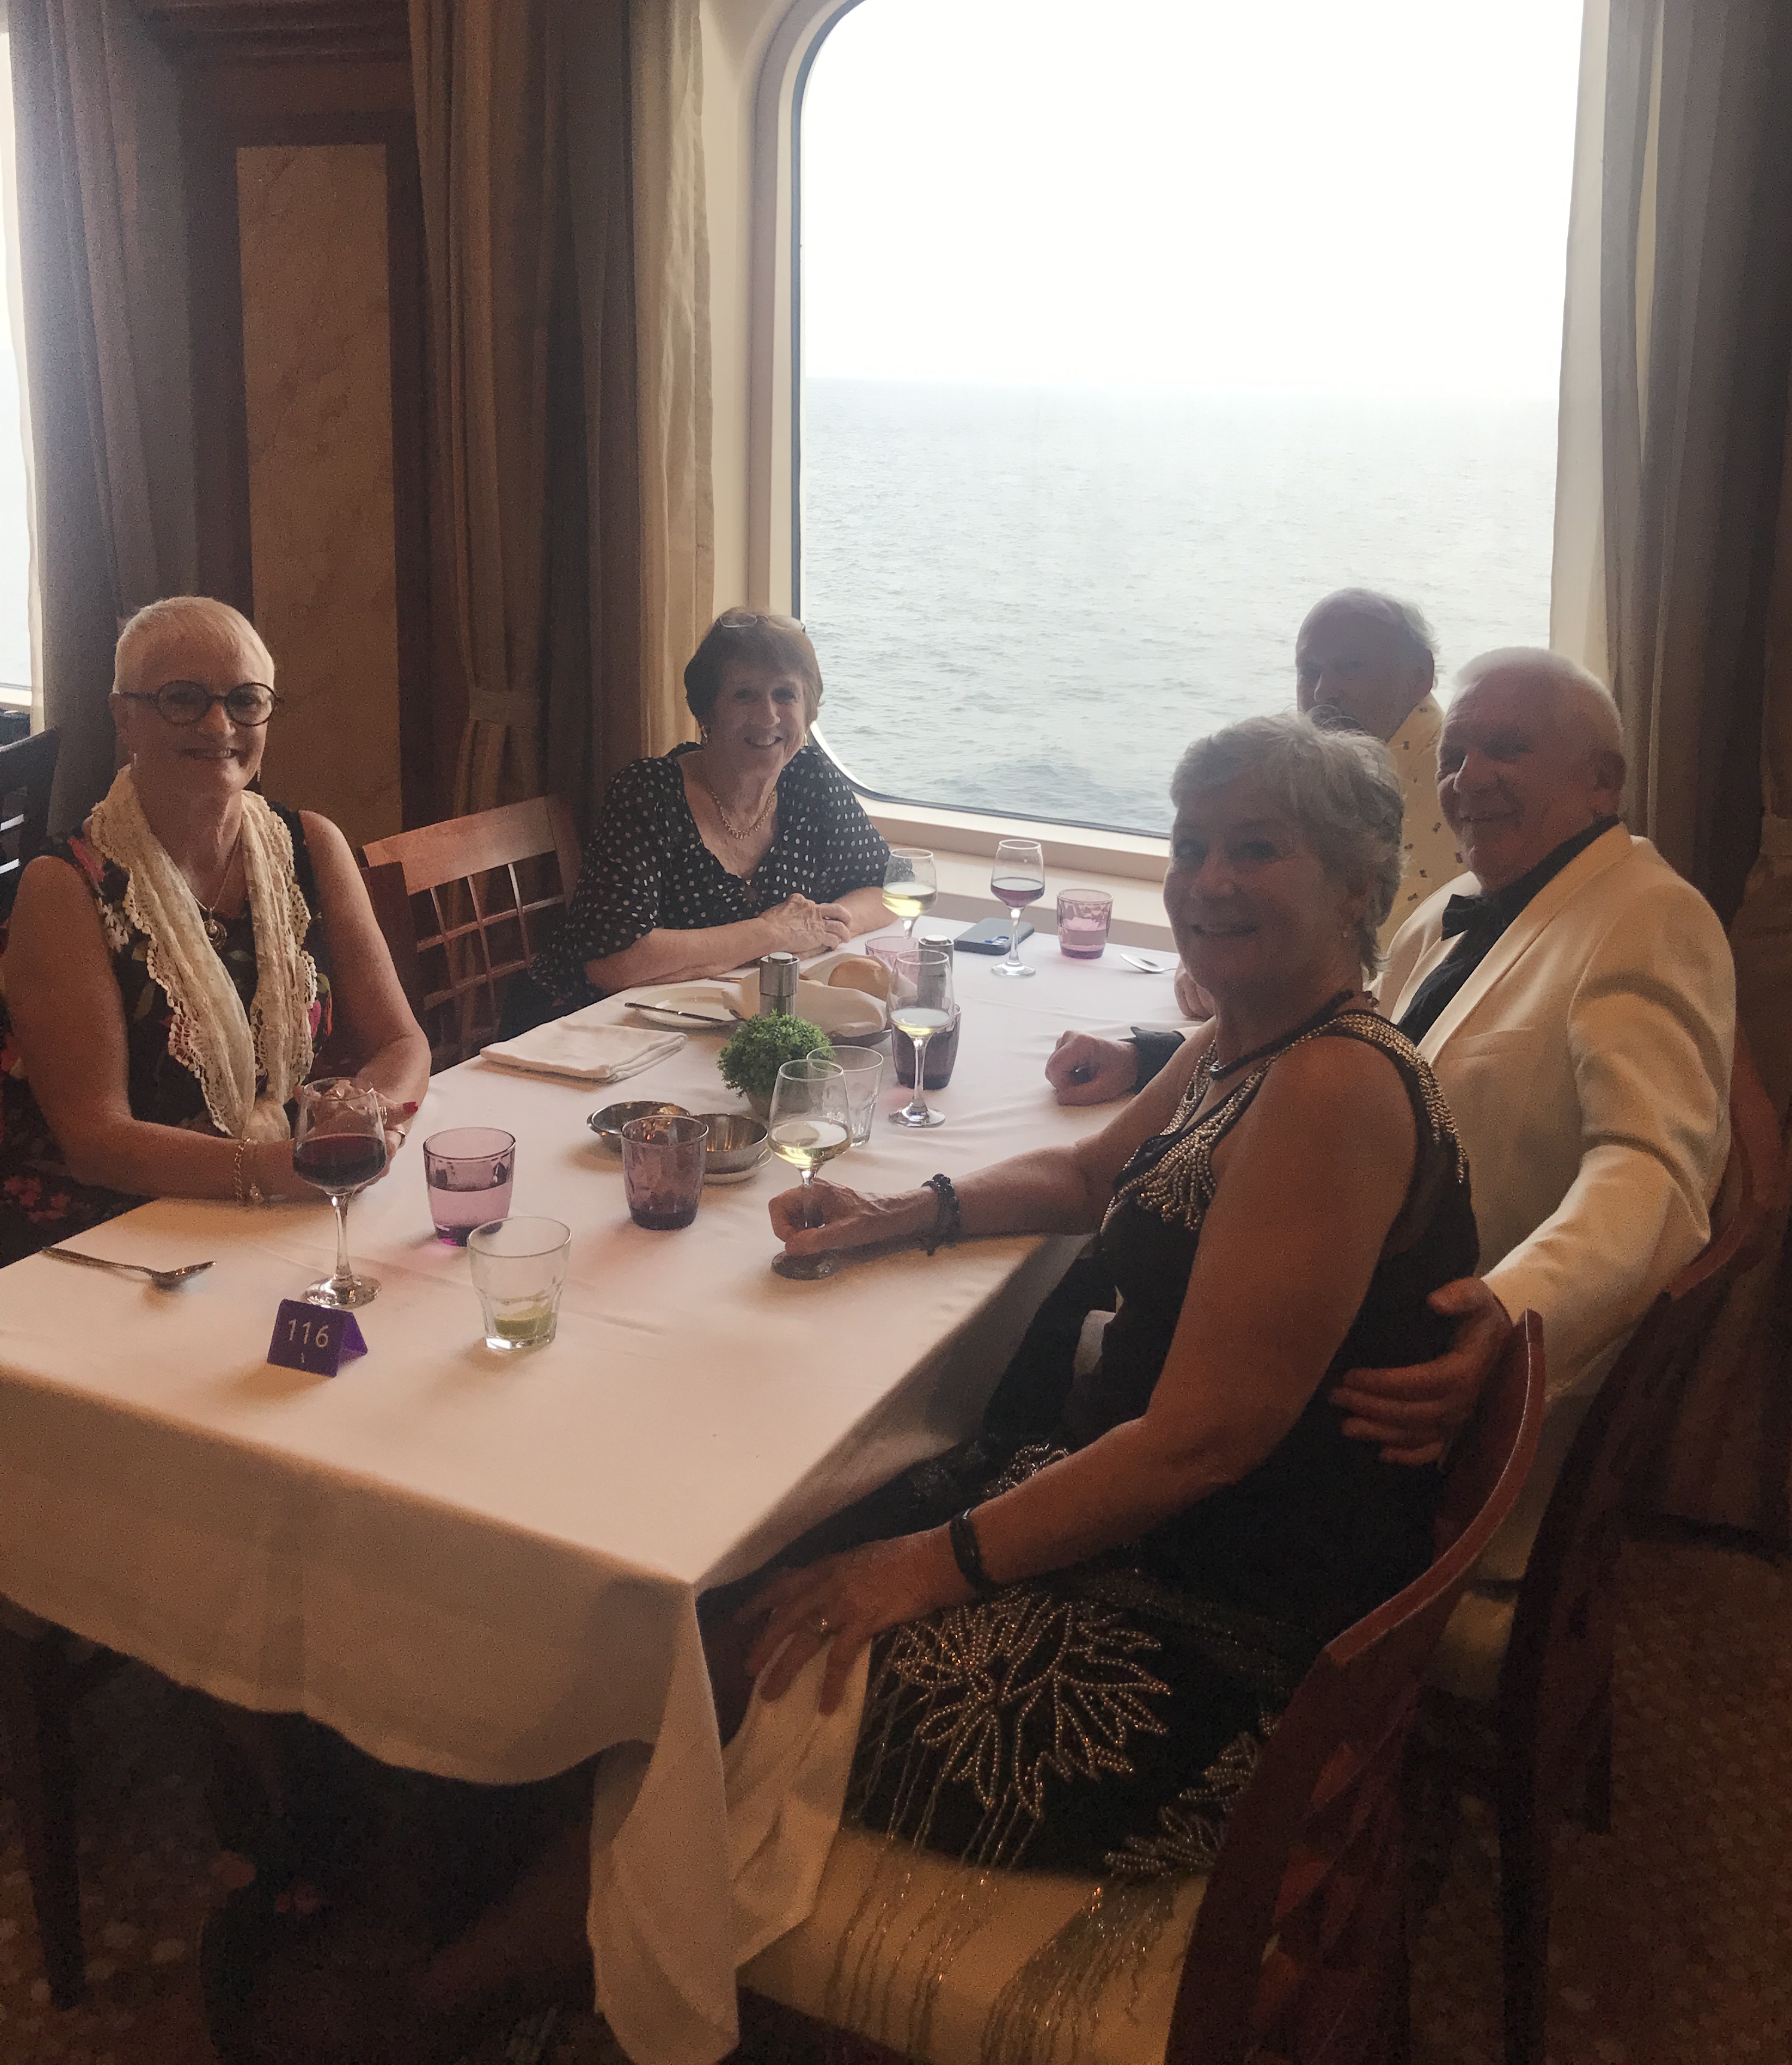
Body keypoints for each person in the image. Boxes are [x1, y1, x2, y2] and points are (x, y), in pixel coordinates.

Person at [203, 716, 1480, 2065]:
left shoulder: (1329, 1088)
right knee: (748, 1555)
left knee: (747, 1651)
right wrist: (899, 1215)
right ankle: (518, 1884)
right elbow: (1085, 1176)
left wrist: (926, 1566)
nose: (1207, 881)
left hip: (1215, 1640)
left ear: (1354, 884)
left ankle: (459, 1998)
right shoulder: (1252, 1037)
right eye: (1191, 847)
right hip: (1158, 1537)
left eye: (1255, 851)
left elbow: (1199, 1444)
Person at [1050, 649, 1736, 1496]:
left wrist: (1514, 1307)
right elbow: (1341, 1027)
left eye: (1508, 750)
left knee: (1060, 1314)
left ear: (1604, 782)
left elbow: (1651, 1171)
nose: (1468, 778)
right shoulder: (1450, 910)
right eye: (1453, 755)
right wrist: (1147, 1055)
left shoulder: (1650, 914)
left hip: (1424, 1400)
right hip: (1326, 1311)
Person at [0, 598, 429, 1267]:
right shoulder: (65, 886)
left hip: (273, 1208)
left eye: (246, 700)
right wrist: (273, 1171)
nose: (219, 724)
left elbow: (401, 1042)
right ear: (123, 715)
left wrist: (364, 1116)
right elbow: (94, 1142)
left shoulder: (311, 844)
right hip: (108, 1241)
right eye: (183, 699)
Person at [520, 609, 893, 1013]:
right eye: (744, 695)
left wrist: (825, 926)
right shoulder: (648, 793)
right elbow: (613, 962)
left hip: (722, 1014)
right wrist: (771, 934)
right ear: (706, 712)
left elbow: (887, 887)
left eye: (785, 695)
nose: (767, 715)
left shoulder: (811, 780)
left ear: (809, 711)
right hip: (589, 1021)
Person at [1168, 586, 1458, 1018]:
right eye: (1310, 672)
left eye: (1350, 668)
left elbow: (1368, 979)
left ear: (1420, 676)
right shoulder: (1319, 773)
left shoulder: (1452, 786)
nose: (1324, 692)